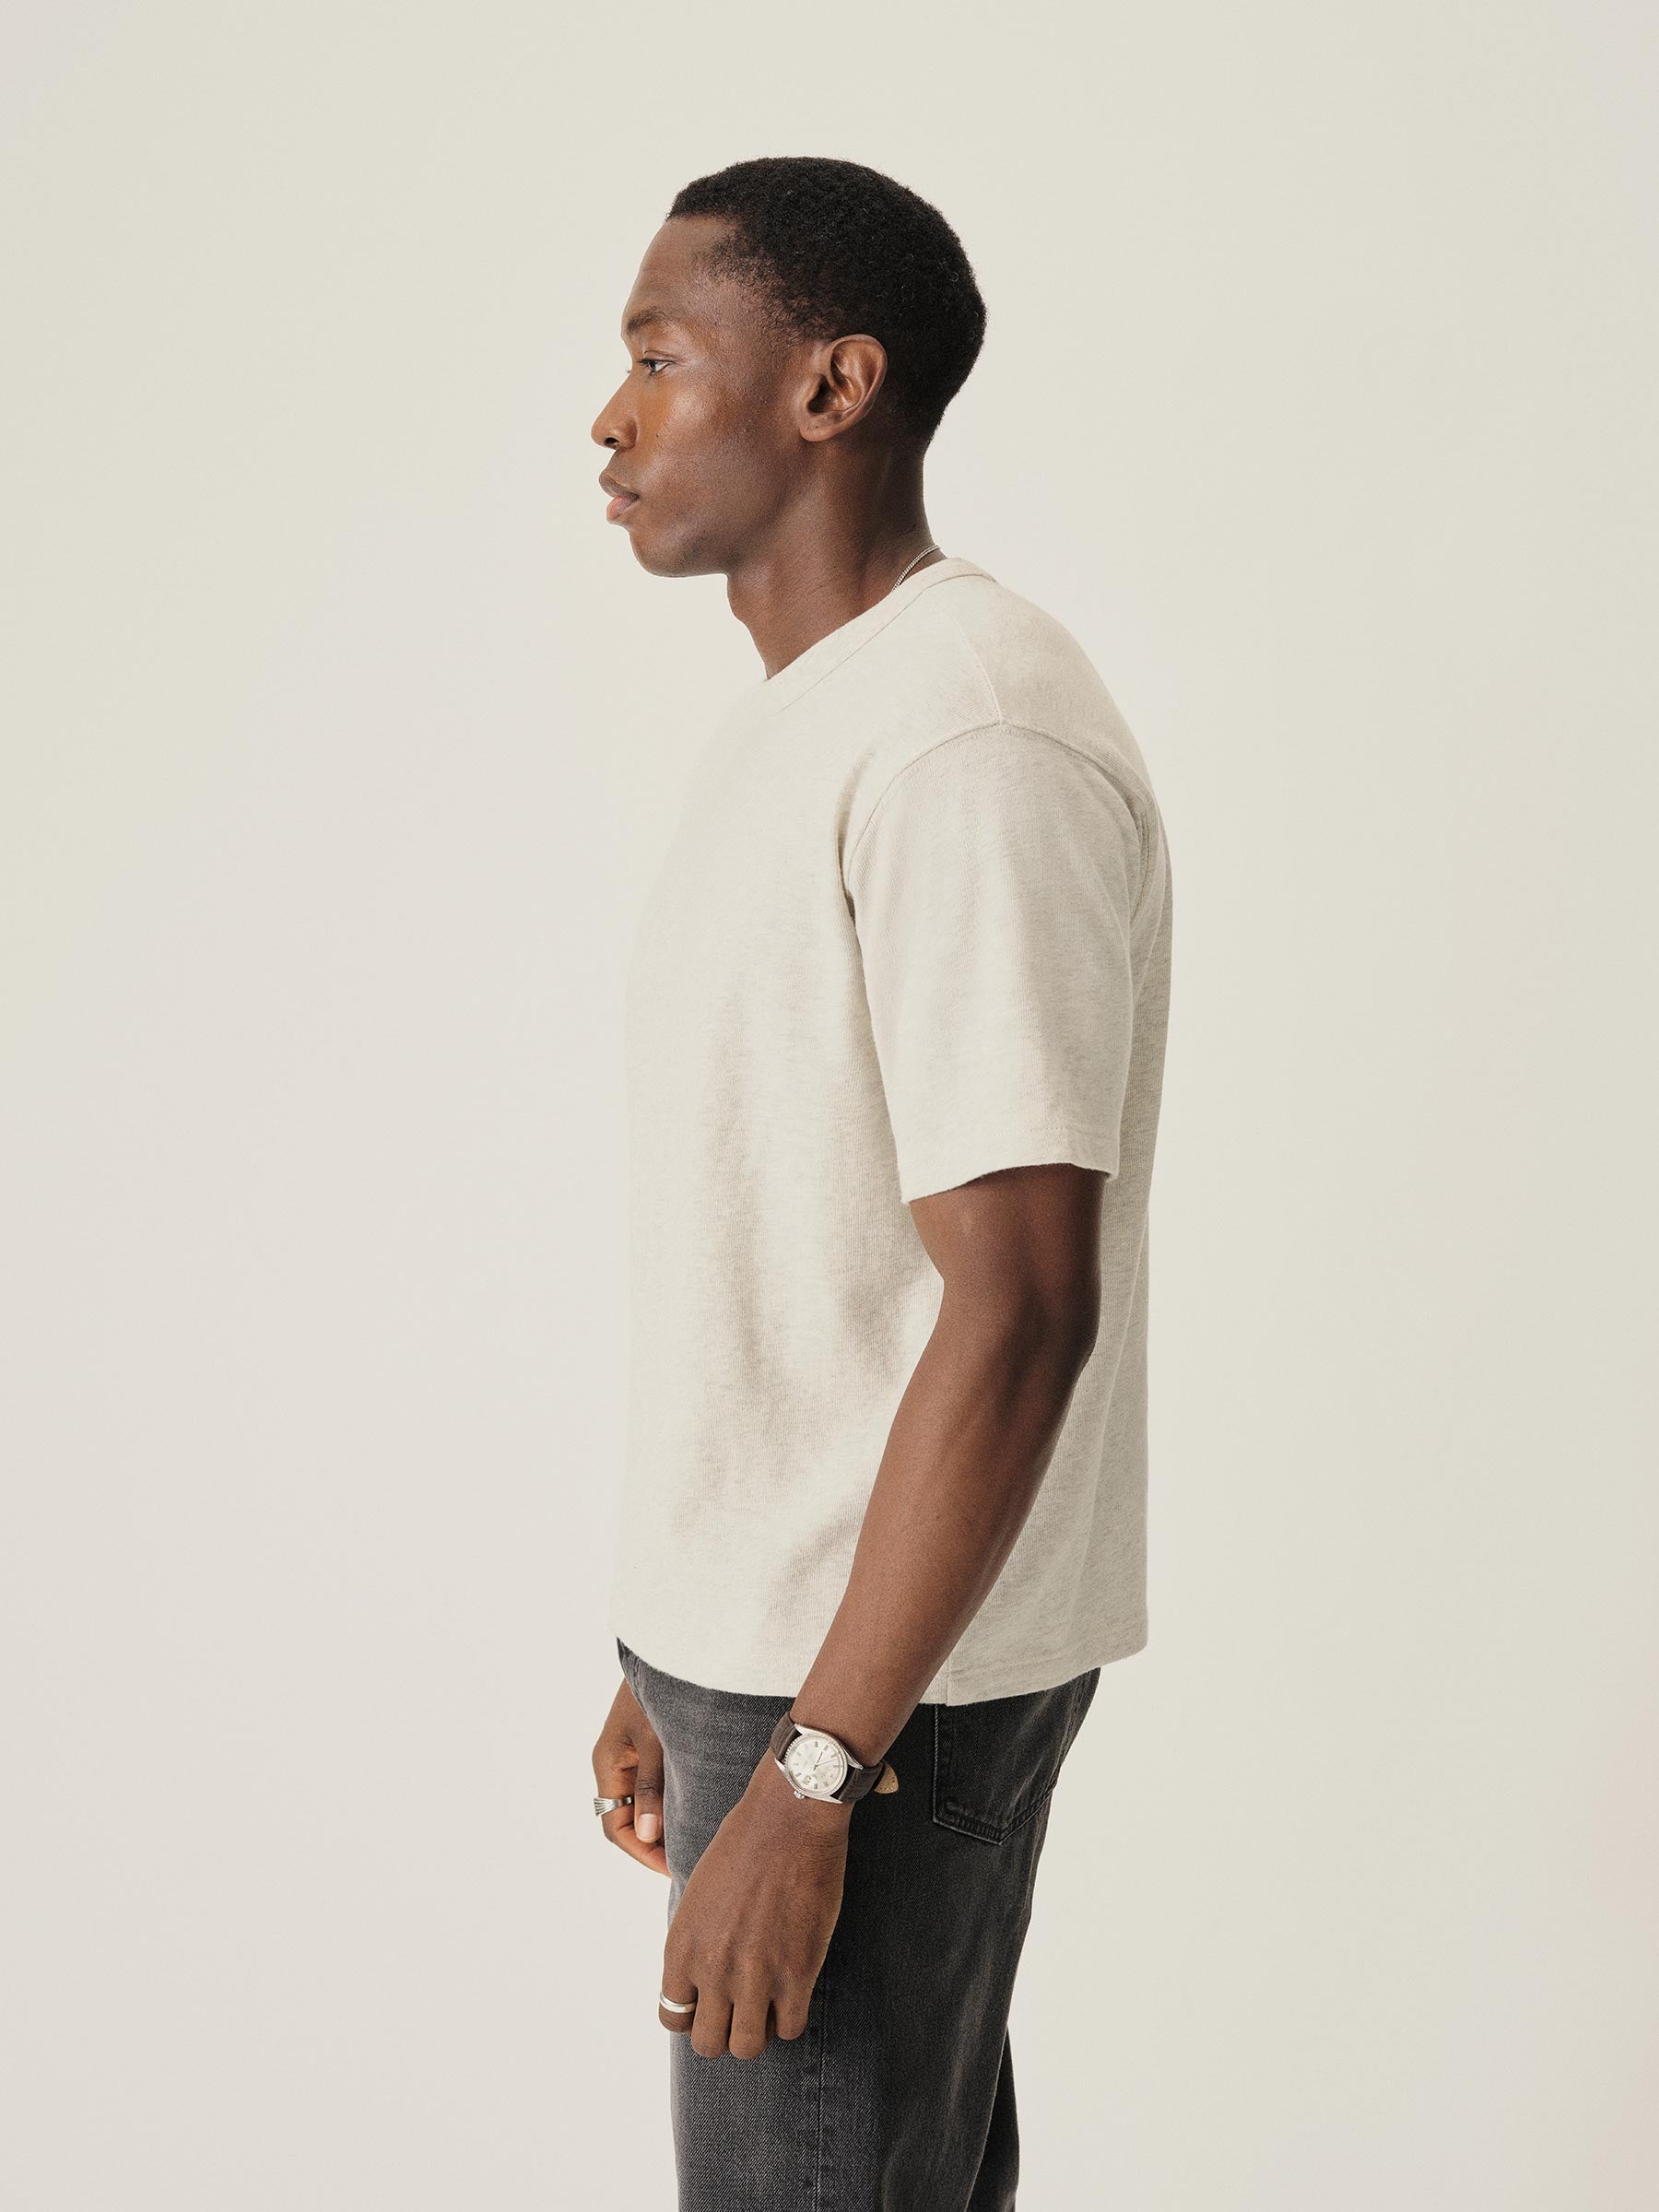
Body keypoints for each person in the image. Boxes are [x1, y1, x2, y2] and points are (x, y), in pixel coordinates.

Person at [587, 154, 1172, 2209]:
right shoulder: (818, 723)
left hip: (873, 1707)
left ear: (833, 387)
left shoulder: (964, 737)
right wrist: (672, 1645)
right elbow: (795, 1233)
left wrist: (817, 1773)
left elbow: (1022, 1307)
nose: (610, 416)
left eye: (662, 356)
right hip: (783, 1667)